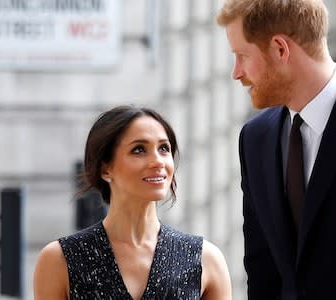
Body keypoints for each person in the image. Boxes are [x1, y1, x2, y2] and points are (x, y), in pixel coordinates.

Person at [216, 1, 336, 299]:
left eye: (242, 56)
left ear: (280, 49)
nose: (236, 73)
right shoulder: (255, 138)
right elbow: (261, 268)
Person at [33, 105, 232, 300]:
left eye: (164, 148)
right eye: (139, 150)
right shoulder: (59, 260)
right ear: (105, 169)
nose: (158, 161)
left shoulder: (205, 259)